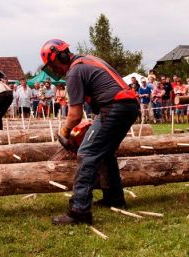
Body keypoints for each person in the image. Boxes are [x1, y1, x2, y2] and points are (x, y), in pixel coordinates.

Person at [40, 39, 139, 225]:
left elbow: (75, 114)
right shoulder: (86, 60)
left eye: (53, 65)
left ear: (60, 57)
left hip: (115, 107)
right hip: (127, 106)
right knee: (105, 152)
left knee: (87, 153)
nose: (55, 70)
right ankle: (114, 198)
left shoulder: (74, 71)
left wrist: (64, 132)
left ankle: (79, 211)